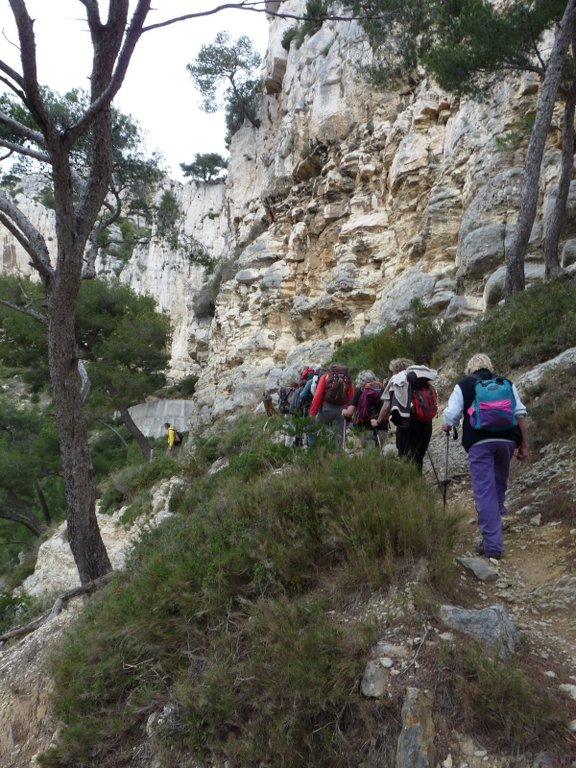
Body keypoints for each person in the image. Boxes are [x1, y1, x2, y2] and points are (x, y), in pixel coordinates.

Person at [441, 353, 528, 560]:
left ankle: (493, 546)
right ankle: (493, 531)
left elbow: (451, 415)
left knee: (484, 492)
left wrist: (446, 425)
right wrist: (523, 444)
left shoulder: (463, 385)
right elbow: (519, 413)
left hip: (479, 443)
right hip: (507, 440)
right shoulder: (506, 383)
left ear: (469, 369)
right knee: (498, 487)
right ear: (490, 367)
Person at [371, 358, 436, 473]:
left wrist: (379, 421)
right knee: (418, 459)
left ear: (397, 369)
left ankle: (410, 488)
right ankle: (419, 486)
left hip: (407, 426)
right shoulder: (423, 380)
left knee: (406, 461)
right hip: (426, 424)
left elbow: (386, 406)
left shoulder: (399, 380)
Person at [309, 363, 354, 449]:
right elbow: (351, 395)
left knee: (319, 431)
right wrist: (346, 408)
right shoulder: (346, 379)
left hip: (326, 409)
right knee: (339, 438)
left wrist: (312, 412)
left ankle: (321, 455)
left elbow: (318, 395)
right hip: (342, 411)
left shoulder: (326, 376)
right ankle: (337, 459)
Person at [342, 369, 387, 449]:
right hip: (382, 425)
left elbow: (349, 412)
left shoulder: (361, 391)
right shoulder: (382, 389)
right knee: (382, 450)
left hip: (366, 427)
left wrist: (343, 411)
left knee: (369, 453)